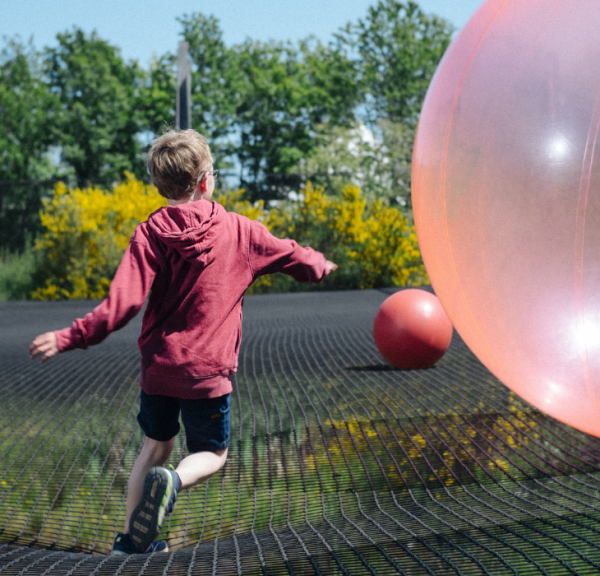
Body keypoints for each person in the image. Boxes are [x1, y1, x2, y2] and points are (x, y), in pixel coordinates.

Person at [28, 129, 337, 555]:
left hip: (159, 368)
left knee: (154, 446)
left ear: (159, 185)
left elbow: (121, 305)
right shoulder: (241, 231)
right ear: (207, 181)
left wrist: (69, 336)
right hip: (207, 373)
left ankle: (128, 544)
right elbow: (293, 256)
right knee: (212, 453)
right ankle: (173, 481)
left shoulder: (150, 233)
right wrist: (320, 264)